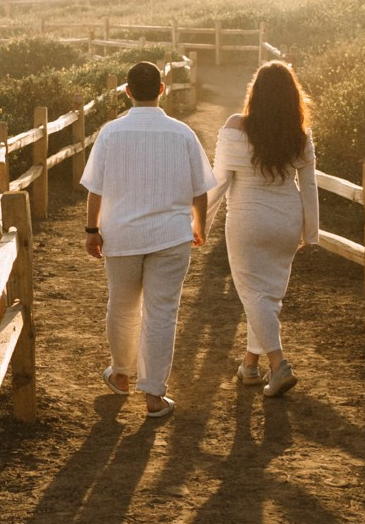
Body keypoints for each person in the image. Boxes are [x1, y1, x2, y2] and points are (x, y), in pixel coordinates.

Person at [82, 60, 214, 421]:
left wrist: (92, 230)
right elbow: (200, 190)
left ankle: (121, 375)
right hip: (171, 235)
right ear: (162, 90)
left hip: (121, 234)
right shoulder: (182, 133)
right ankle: (154, 394)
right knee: (162, 312)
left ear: (127, 92)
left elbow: (96, 189)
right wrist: (199, 225)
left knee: (122, 305)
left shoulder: (111, 132)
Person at [214, 60, 319, 398]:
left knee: (254, 295)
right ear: (292, 96)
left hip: (247, 221)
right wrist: (310, 232)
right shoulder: (299, 135)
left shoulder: (235, 127)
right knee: (267, 297)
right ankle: (249, 365)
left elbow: (219, 182)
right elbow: (309, 185)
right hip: (287, 220)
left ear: (255, 92)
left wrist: (198, 221)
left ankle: (279, 365)